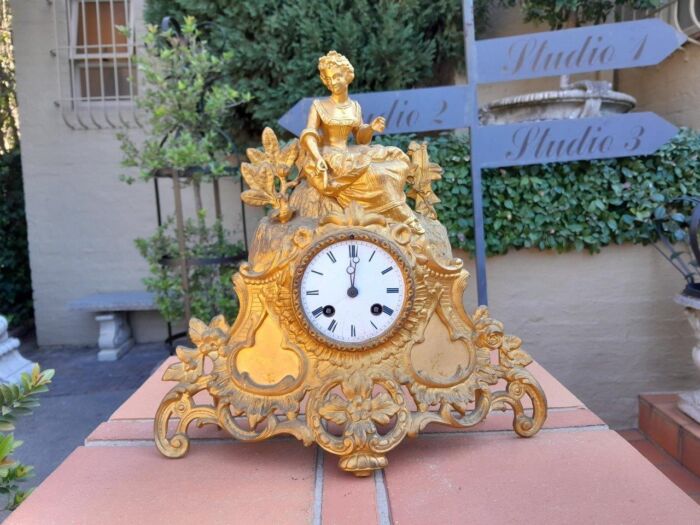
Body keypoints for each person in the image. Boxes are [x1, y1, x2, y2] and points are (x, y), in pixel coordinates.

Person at [297, 51, 423, 233]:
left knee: (396, 158)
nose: (333, 82)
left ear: (347, 76)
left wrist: (371, 128)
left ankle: (393, 211)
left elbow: (361, 139)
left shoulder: (355, 107)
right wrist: (317, 158)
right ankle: (399, 215)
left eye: (337, 76)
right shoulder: (319, 106)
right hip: (330, 156)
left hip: (350, 151)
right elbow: (309, 134)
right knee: (373, 172)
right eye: (329, 78)